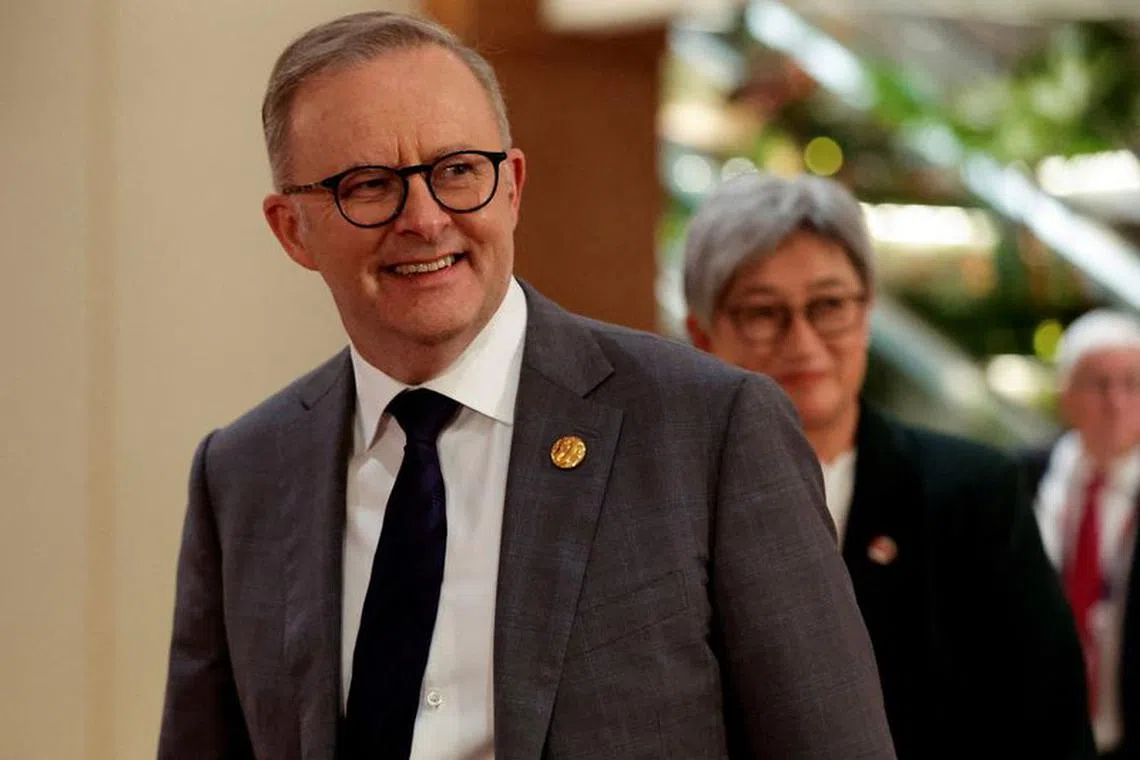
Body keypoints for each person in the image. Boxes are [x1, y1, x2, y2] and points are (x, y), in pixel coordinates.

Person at [156, 11, 898, 760]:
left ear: (510, 185)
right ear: (292, 230)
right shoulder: (243, 475)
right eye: (369, 185)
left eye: (456, 171)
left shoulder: (708, 430)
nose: (424, 218)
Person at [683, 171, 1096, 760]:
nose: (803, 343)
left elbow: (1047, 726)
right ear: (702, 336)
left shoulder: (973, 493)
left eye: (828, 306)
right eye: (761, 312)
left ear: (868, 314)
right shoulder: (663, 504)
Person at [1022, 309, 1140, 758]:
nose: (1117, 401)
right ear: (1065, 395)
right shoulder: (1020, 477)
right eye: (1099, 384)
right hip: (1037, 728)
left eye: (1132, 383)